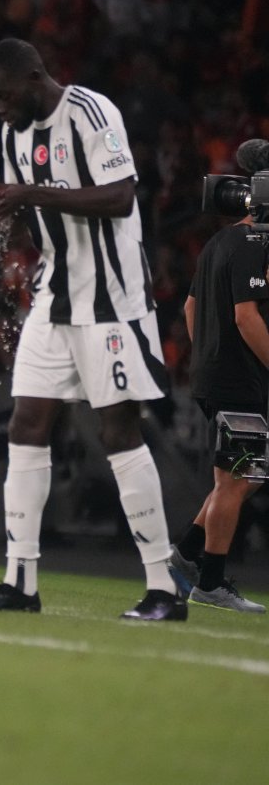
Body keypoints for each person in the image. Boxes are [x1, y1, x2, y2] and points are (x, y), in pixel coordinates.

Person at [0, 38, 186, 621]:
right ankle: (20, 582)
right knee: (26, 423)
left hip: (112, 299)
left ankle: (163, 587)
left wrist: (30, 193)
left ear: (35, 77)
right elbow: (32, 215)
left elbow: (121, 197)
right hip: (54, 294)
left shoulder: (91, 111)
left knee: (118, 431)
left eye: (5, 97)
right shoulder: (13, 135)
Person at [169, 207, 268, 613]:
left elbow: (190, 308)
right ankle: (209, 583)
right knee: (236, 479)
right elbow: (246, 317)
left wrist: (207, 358)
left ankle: (187, 553)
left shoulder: (219, 241)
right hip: (239, 381)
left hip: (222, 377)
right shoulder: (255, 244)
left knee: (251, 473)